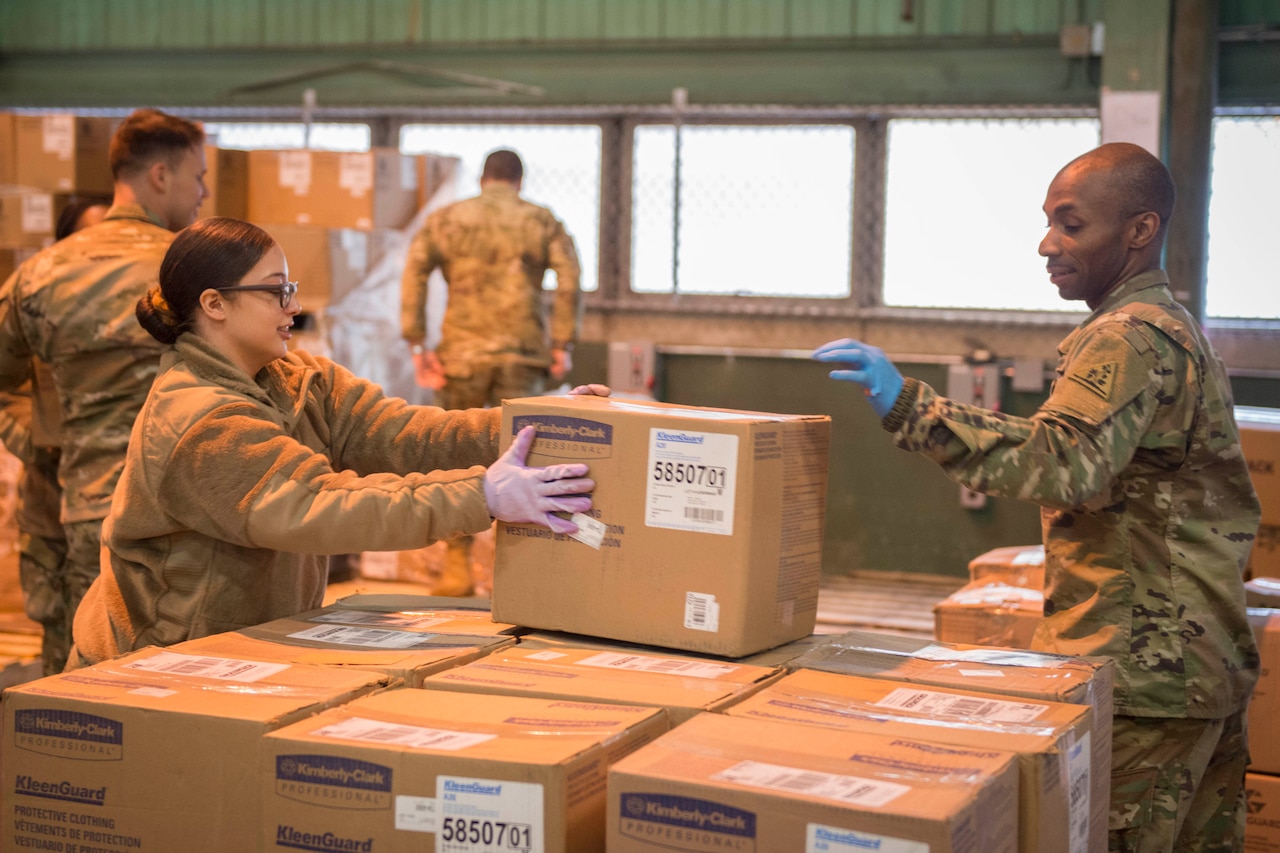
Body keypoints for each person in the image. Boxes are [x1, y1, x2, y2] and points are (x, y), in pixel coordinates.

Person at [813, 142, 1259, 852]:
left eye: (1072, 224)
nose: (1048, 243)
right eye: (1050, 222)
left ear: (1140, 230)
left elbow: (1063, 461)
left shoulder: (1129, 338)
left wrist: (913, 408)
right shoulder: (1175, 328)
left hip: (1146, 674)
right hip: (1196, 661)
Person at [70, 217, 598, 667]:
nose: (291, 307)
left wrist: (543, 423)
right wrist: (480, 495)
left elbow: (407, 434)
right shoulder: (199, 421)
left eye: (291, 289)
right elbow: (321, 504)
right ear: (215, 304)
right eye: (275, 291)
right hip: (155, 663)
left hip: (237, 653)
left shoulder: (298, 380)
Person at [0, 108, 208, 674]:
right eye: (198, 176)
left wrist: (40, 438)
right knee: (176, 679)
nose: (203, 192)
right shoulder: (190, 273)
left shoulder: (41, 273)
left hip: (86, 509)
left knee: (83, 682)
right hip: (184, 512)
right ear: (160, 176)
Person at [400, 147, 583, 596]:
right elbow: (570, 276)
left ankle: (458, 568)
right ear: (518, 181)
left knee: (456, 455)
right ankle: (518, 570)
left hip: (460, 354)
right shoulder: (541, 219)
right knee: (530, 459)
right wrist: (562, 342)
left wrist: (417, 341)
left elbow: (415, 271)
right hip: (523, 354)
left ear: (483, 179)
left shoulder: (447, 218)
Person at [0, 195, 113, 674]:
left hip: (111, 510)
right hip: (51, 506)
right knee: (57, 638)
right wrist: (39, 441)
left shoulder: (138, 328)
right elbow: (9, 394)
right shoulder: (38, 317)